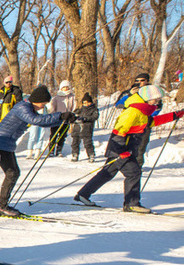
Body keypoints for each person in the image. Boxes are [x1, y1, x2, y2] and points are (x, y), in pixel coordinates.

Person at [75, 85, 183, 213]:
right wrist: (121, 151)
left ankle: (83, 194)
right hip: (121, 150)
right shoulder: (133, 111)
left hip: (124, 150)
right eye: (155, 99)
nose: (157, 102)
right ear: (147, 98)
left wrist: (175, 115)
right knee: (134, 172)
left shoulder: (142, 111)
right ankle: (131, 204)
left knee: (106, 173)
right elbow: (118, 132)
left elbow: (152, 122)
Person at [0, 85, 71, 216]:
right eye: (42, 103)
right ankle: (1, 206)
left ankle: (2, 205)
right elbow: (36, 120)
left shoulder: (27, 107)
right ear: (37, 100)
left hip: (6, 144)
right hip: (0, 144)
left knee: (13, 173)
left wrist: (63, 120)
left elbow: (41, 122)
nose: (42, 107)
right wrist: (60, 116)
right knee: (12, 173)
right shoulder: (23, 108)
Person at [48, 80, 75, 156]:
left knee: (62, 135)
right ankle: (51, 149)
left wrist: (71, 115)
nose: (66, 89)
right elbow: (52, 108)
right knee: (54, 134)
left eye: (67, 87)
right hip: (57, 118)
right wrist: (53, 116)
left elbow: (73, 107)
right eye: (64, 87)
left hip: (66, 119)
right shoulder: (56, 97)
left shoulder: (72, 97)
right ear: (61, 88)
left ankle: (59, 150)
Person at [70, 93, 99, 162]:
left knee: (87, 143)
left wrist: (85, 119)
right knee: (75, 142)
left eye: (88, 102)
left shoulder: (94, 109)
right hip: (77, 128)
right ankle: (75, 154)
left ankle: (91, 155)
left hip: (87, 128)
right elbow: (75, 115)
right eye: (84, 103)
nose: (86, 104)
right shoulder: (81, 109)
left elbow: (95, 117)